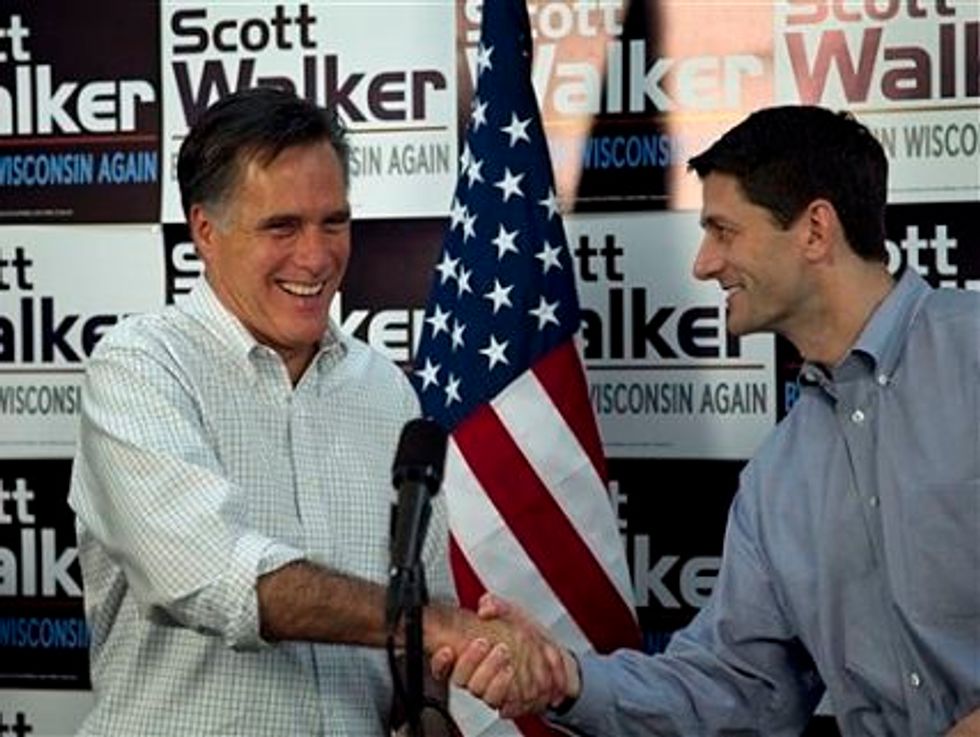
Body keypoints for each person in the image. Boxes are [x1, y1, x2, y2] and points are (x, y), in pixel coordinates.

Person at [437, 105, 980, 736]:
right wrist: (568, 679)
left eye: (724, 231)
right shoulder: (779, 474)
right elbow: (734, 688)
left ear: (814, 230)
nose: (703, 264)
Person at [68, 87, 565, 736]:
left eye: (334, 222)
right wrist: (440, 625)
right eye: (282, 226)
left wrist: (443, 689)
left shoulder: (386, 390)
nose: (316, 256)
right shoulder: (139, 368)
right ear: (205, 231)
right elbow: (216, 574)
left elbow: (419, 638)